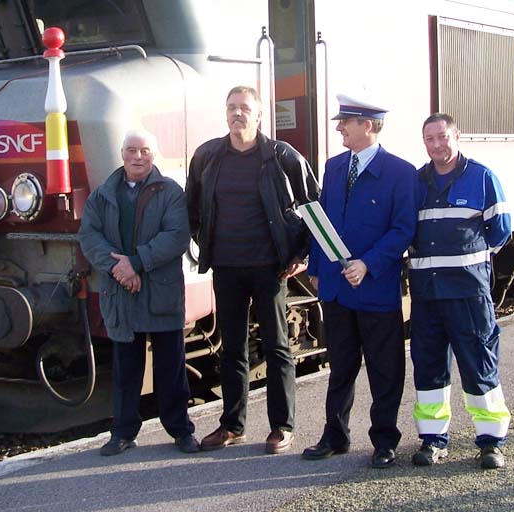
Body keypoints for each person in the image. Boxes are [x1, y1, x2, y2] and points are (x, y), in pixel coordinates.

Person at [186, 85, 320, 454]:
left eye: (245, 108)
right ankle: (232, 426)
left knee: (277, 346)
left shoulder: (281, 155)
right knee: (232, 349)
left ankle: (282, 426)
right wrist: (204, 243)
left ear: (259, 115)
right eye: (232, 107)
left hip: (270, 268)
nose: (237, 113)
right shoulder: (208, 156)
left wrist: (302, 253)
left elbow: (313, 204)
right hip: (226, 267)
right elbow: (191, 208)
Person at [302, 94, 417, 468]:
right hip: (337, 288)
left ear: (367, 125)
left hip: (375, 288)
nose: (339, 128)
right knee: (340, 366)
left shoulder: (401, 172)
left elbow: (403, 229)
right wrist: (316, 268)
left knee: (385, 369)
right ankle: (334, 435)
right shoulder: (334, 167)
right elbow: (323, 222)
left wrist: (368, 264)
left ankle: (384, 441)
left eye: (345, 122)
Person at [78, 129, 199, 456]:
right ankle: (123, 432)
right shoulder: (102, 195)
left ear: (153, 155)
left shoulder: (171, 192)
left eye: (144, 151)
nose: (137, 156)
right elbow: (89, 236)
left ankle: (181, 431)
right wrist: (118, 269)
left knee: (170, 368)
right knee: (125, 370)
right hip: (122, 293)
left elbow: (176, 236)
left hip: (160, 293)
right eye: (131, 150)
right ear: (122, 154)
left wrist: (135, 263)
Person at [408, 113, 511, 469]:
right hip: (427, 294)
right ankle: (433, 439)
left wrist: (469, 263)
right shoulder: (416, 182)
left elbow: (500, 231)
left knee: (479, 363)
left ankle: (491, 441)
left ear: (456, 136)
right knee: (429, 367)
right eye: (430, 139)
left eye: (443, 137)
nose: (437, 144)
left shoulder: (482, 177)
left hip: (468, 293)